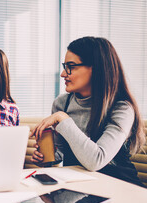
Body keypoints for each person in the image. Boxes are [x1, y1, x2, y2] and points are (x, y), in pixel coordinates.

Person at [30, 36, 145, 186]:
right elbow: (64, 152)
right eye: (65, 66)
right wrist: (47, 156)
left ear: (97, 68)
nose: (63, 74)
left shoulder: (122, 108)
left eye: (71, 66)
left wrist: (63, 119)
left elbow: (96, 161)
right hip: (81, 190)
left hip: (120, 188)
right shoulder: (61, 104)